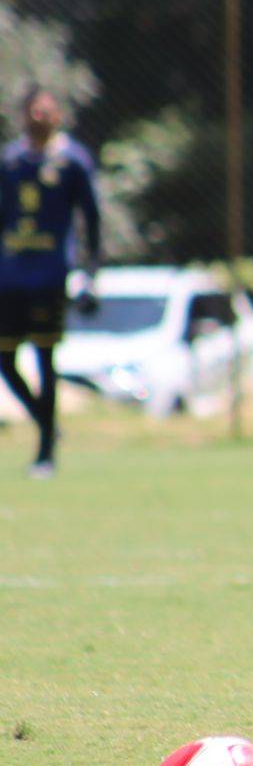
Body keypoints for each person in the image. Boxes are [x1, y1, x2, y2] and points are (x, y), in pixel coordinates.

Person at [0, 87, 101, 478]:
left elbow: (90, 220)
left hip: (50, 274)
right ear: (23, 115)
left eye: (47, 110)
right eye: (33, 111)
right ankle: (48, 424)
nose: (39, 117)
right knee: (5, 360)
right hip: (9, 276)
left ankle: (45, 453)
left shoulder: (73, 160)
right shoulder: (9, 161)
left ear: (58, 115)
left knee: (46, 359)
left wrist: (90, 274)